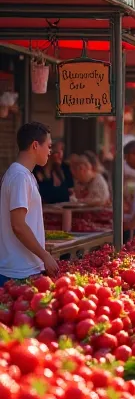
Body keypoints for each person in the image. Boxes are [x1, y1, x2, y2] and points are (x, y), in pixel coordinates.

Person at [0, 122, 59, 284]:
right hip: (18, 272)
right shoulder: (19, 176)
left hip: (23, 269)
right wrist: (45, 255)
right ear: (35, 145)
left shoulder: (24, 175)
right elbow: (18, 225)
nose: (50, 151)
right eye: (48, 146)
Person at [34, 137, 73, 204]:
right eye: (57, 152)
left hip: (64, 210)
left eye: (62, 150)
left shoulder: (65, 168)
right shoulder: (37, 171)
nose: (61, 154)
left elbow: (70, 190)